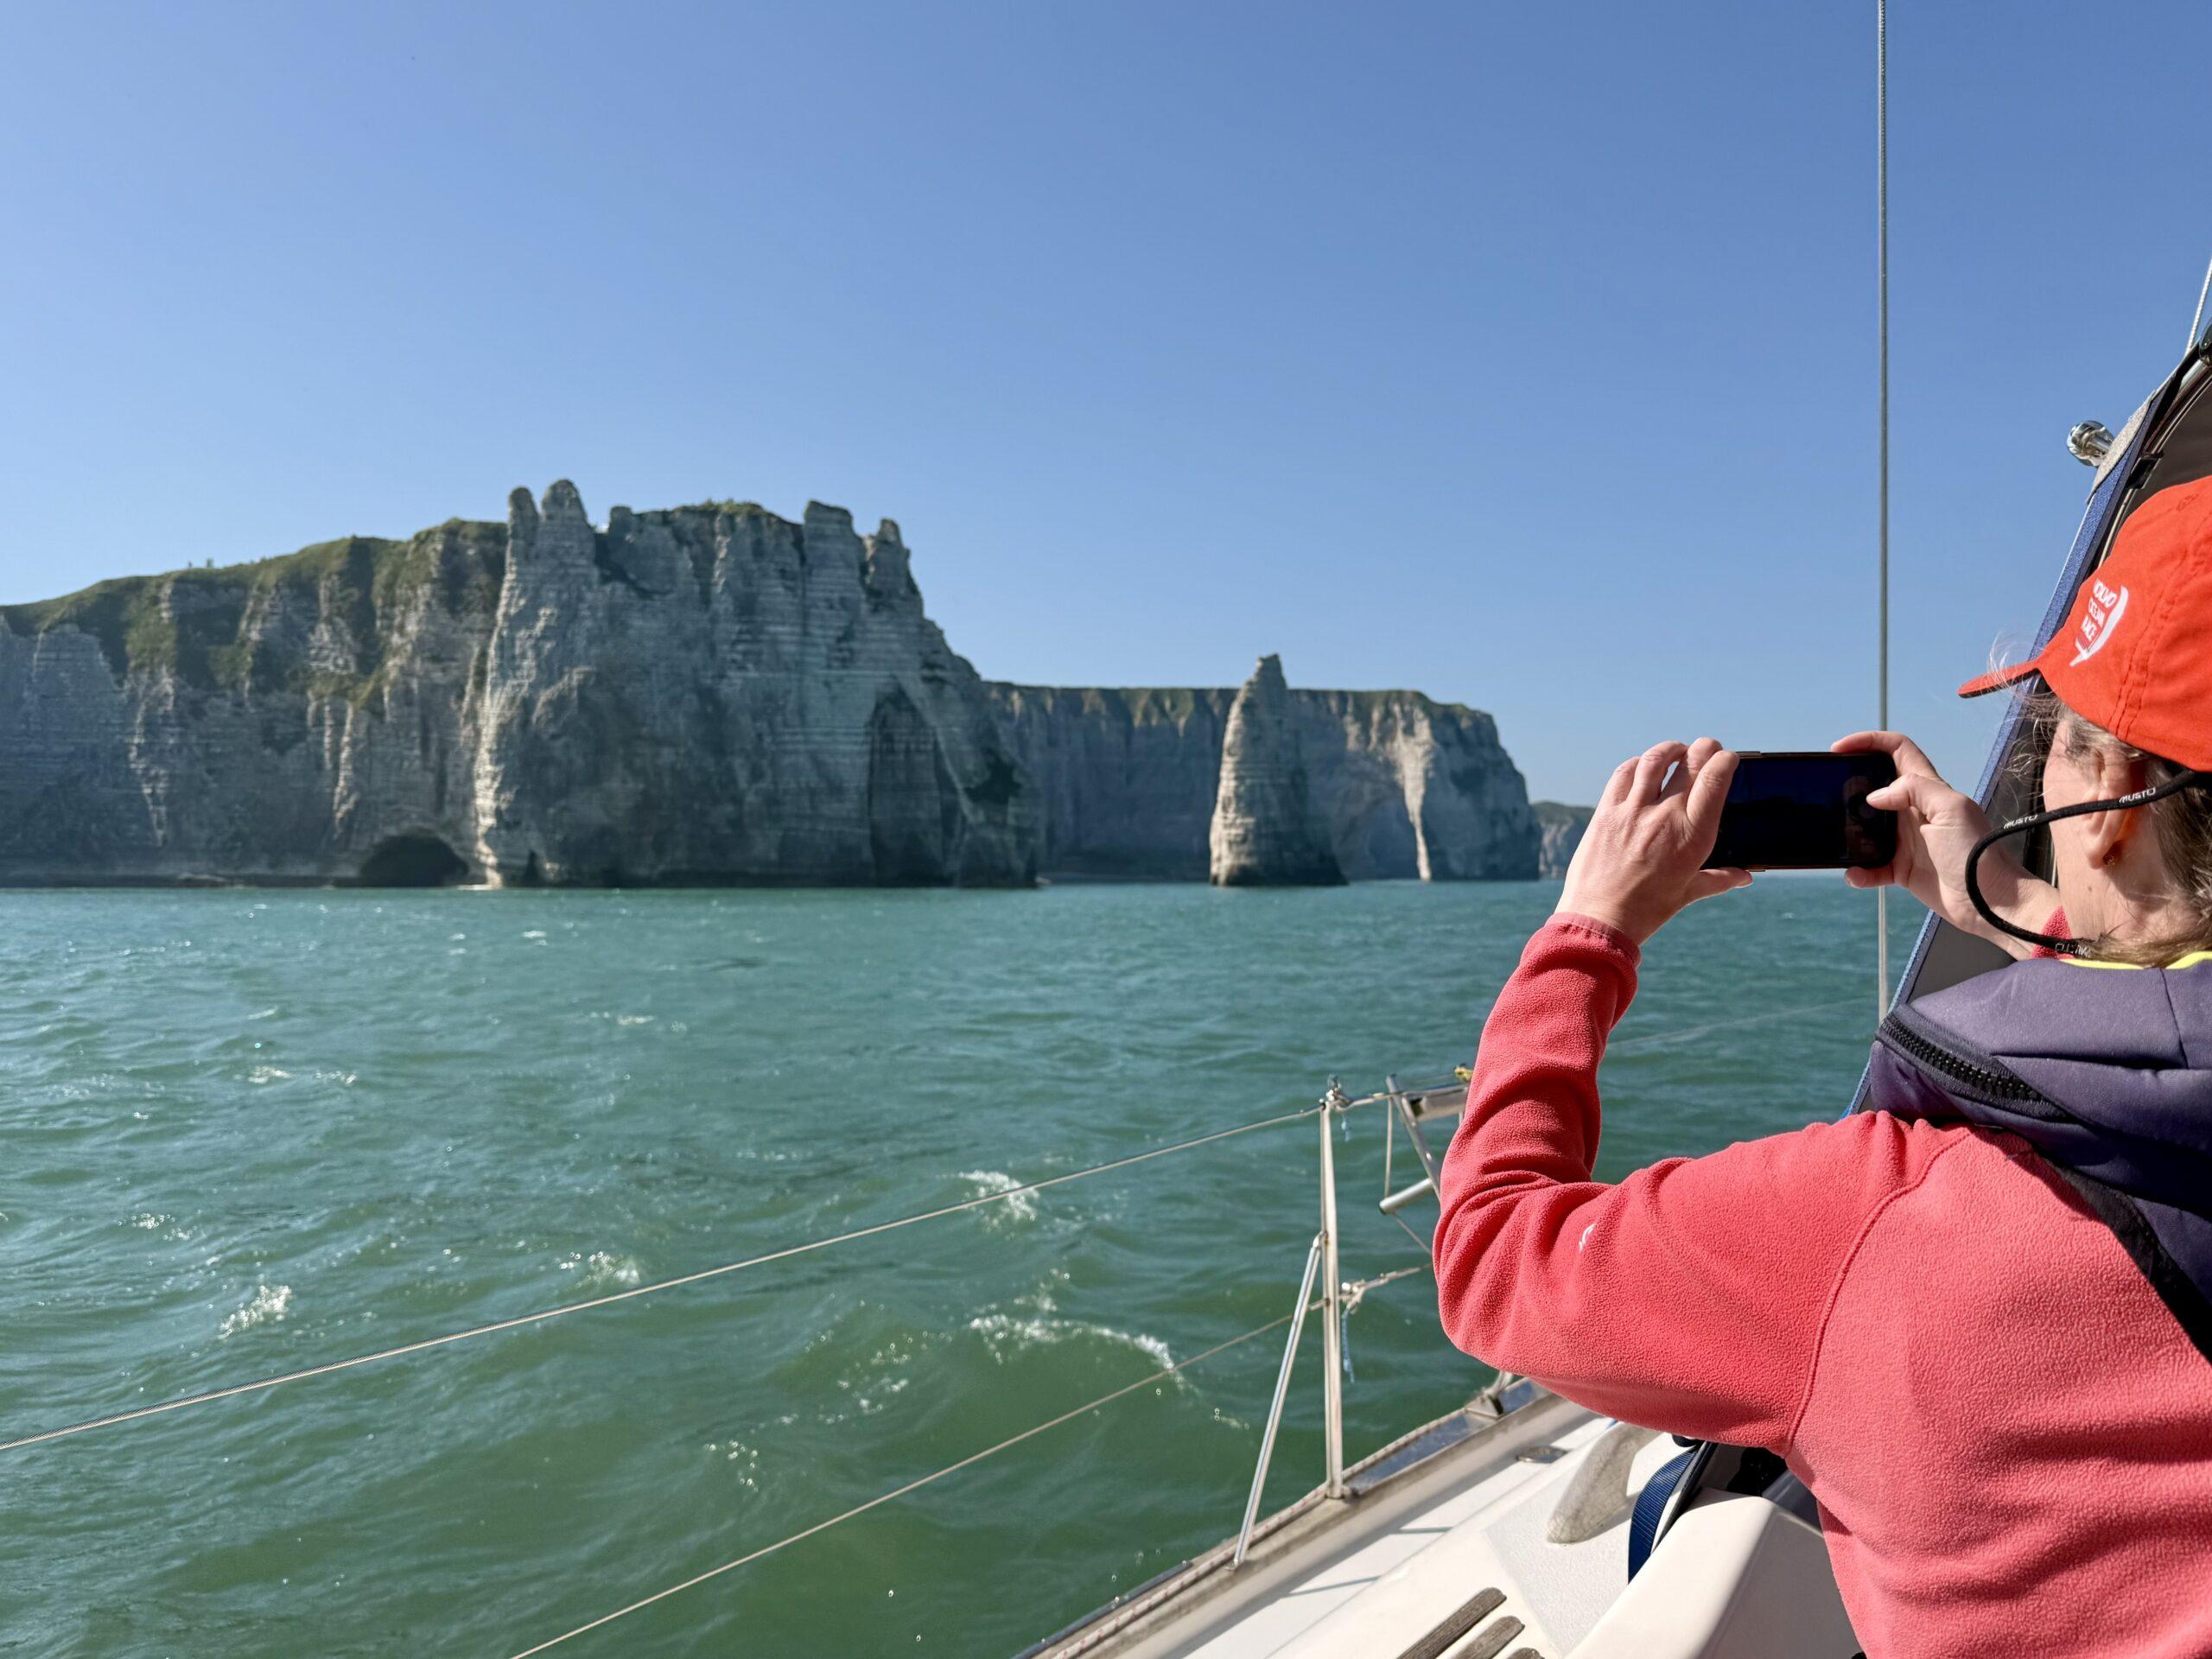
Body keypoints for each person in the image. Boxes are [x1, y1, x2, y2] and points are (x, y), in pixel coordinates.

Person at [1433, 474, 2212, 1659]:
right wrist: (2006, 904)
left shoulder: (1880, 1227)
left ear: (2109, 799)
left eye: (2050, 741)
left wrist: (1587, 934)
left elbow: (1491, 1253)